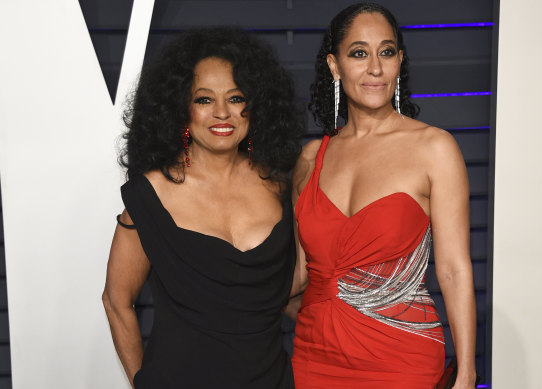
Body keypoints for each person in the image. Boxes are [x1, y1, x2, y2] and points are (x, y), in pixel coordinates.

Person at [102, 28, 304, 389]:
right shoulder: (149, 196)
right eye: (205, 100)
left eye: (236, 97)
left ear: (255, 105)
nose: (223, 113)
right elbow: (117, 301)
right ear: (182, 108)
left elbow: (290, 292)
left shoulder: (279, 186)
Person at [289, 3, 477, 388]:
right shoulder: (310, 159)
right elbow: (298, 274)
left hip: (402, 357)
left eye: (386, 52)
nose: (375, 67)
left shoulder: (434, 148)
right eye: (359, 53)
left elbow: (454, 270)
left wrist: (468, 373)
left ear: (399, 61)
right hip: (314, 356)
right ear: (334, 65)